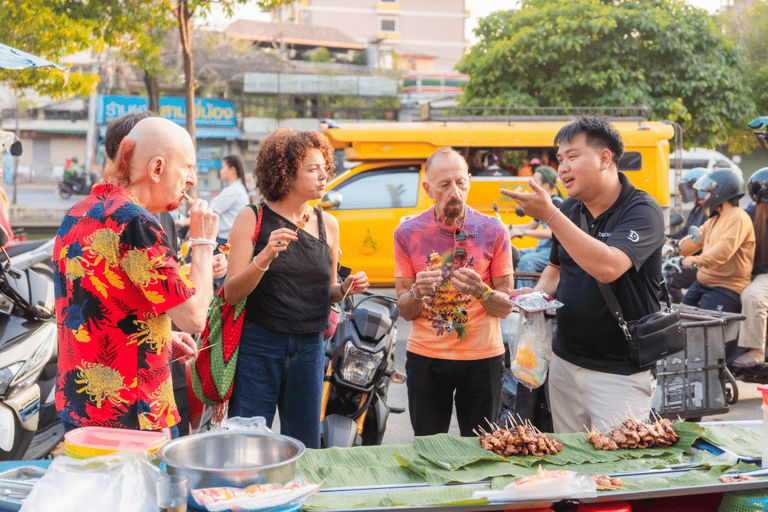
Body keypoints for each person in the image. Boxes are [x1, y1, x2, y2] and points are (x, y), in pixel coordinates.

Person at [54, 117, 219, 437]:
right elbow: (195, 316)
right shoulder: (136, 222)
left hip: (79, 403)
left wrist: (159, 336)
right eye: (187, 167)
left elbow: (96, 302)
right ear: (156, 169)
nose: (192, 179)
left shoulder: (80, 211)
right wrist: (203, 242)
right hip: (133, 412)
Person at [501, 116, 665, 434]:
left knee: (617, 472)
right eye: (560, 159)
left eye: (572, 157)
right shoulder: (571, 211)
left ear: (605, 158)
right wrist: (535, 296)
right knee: (573, 469)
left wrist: (549, 214)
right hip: (563, 364)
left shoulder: (642, 210)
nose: (562, 168)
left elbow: (608, 267)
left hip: (619, 374)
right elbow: (556, 268)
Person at [223, 128, 368, 449]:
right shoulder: (252, 218)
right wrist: (265, 256)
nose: (323, 177)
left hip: (310, 349)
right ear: (285, 173)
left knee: (304, 444)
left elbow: (328, 291)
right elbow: (232, 292)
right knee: (246, 442)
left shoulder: (328, 225)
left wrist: (344, 287)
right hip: (258, 347)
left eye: (325, 168)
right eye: (312, 169)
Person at [394, 147, 514, 437]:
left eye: (461, 183)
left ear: (470, 181)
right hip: (427, 357)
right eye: (445, 185)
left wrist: (482, 292)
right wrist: (417, 293)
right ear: (428, 188)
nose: (455, 192)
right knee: (429, 448)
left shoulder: (493, 230)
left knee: (480, 449)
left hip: (483, 357)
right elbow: (405, 311)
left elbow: (506, 306)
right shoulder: (408, 233)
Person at [679, 168, 755, 318]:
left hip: (725, 287)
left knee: (708, 333)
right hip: (702, 282)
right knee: (678, 320)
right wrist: (671, 246)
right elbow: (694, 240)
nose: (705, 197)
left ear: (720, 192)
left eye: (707, 193)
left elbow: (723, 251)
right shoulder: (715, 219)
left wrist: (695, 259)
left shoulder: (738, 217)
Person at [732, 168, 768, 368]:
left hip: (764, 276)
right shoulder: (749, 214)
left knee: (752, 296)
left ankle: (757, 351)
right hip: (748, 273)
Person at [509, 165, 563, 288]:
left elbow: (551, 233)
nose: (531, 185)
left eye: (535, 182)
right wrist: (508, 227)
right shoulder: (542, 203)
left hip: (552, 251)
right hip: (541, 250)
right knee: (511, 255)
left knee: (526, 261)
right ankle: (509, 291)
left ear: (546, 185)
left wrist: (522, 232)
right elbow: (531, 225)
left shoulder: (556, 203)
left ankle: (524, 301)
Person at [665, 168, 708, 303]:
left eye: (690, 187)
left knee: (669, 280)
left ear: (701, 188)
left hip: (697, 262)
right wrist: (664, 237)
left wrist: (674, 245)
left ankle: (679, 313)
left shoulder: (706, 212)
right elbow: (684, 233)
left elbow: (698, 241)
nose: (686, 191)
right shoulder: (696, 209)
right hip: (685, 257)